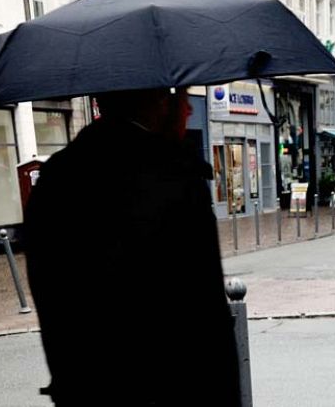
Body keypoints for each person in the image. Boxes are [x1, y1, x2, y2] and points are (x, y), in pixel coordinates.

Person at [24, 88, 241, 406]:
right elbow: (205, 319)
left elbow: (49, 293)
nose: (189, 111)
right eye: (181, 98)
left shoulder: (56, 178)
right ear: (160, 102)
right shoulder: (174, 178)